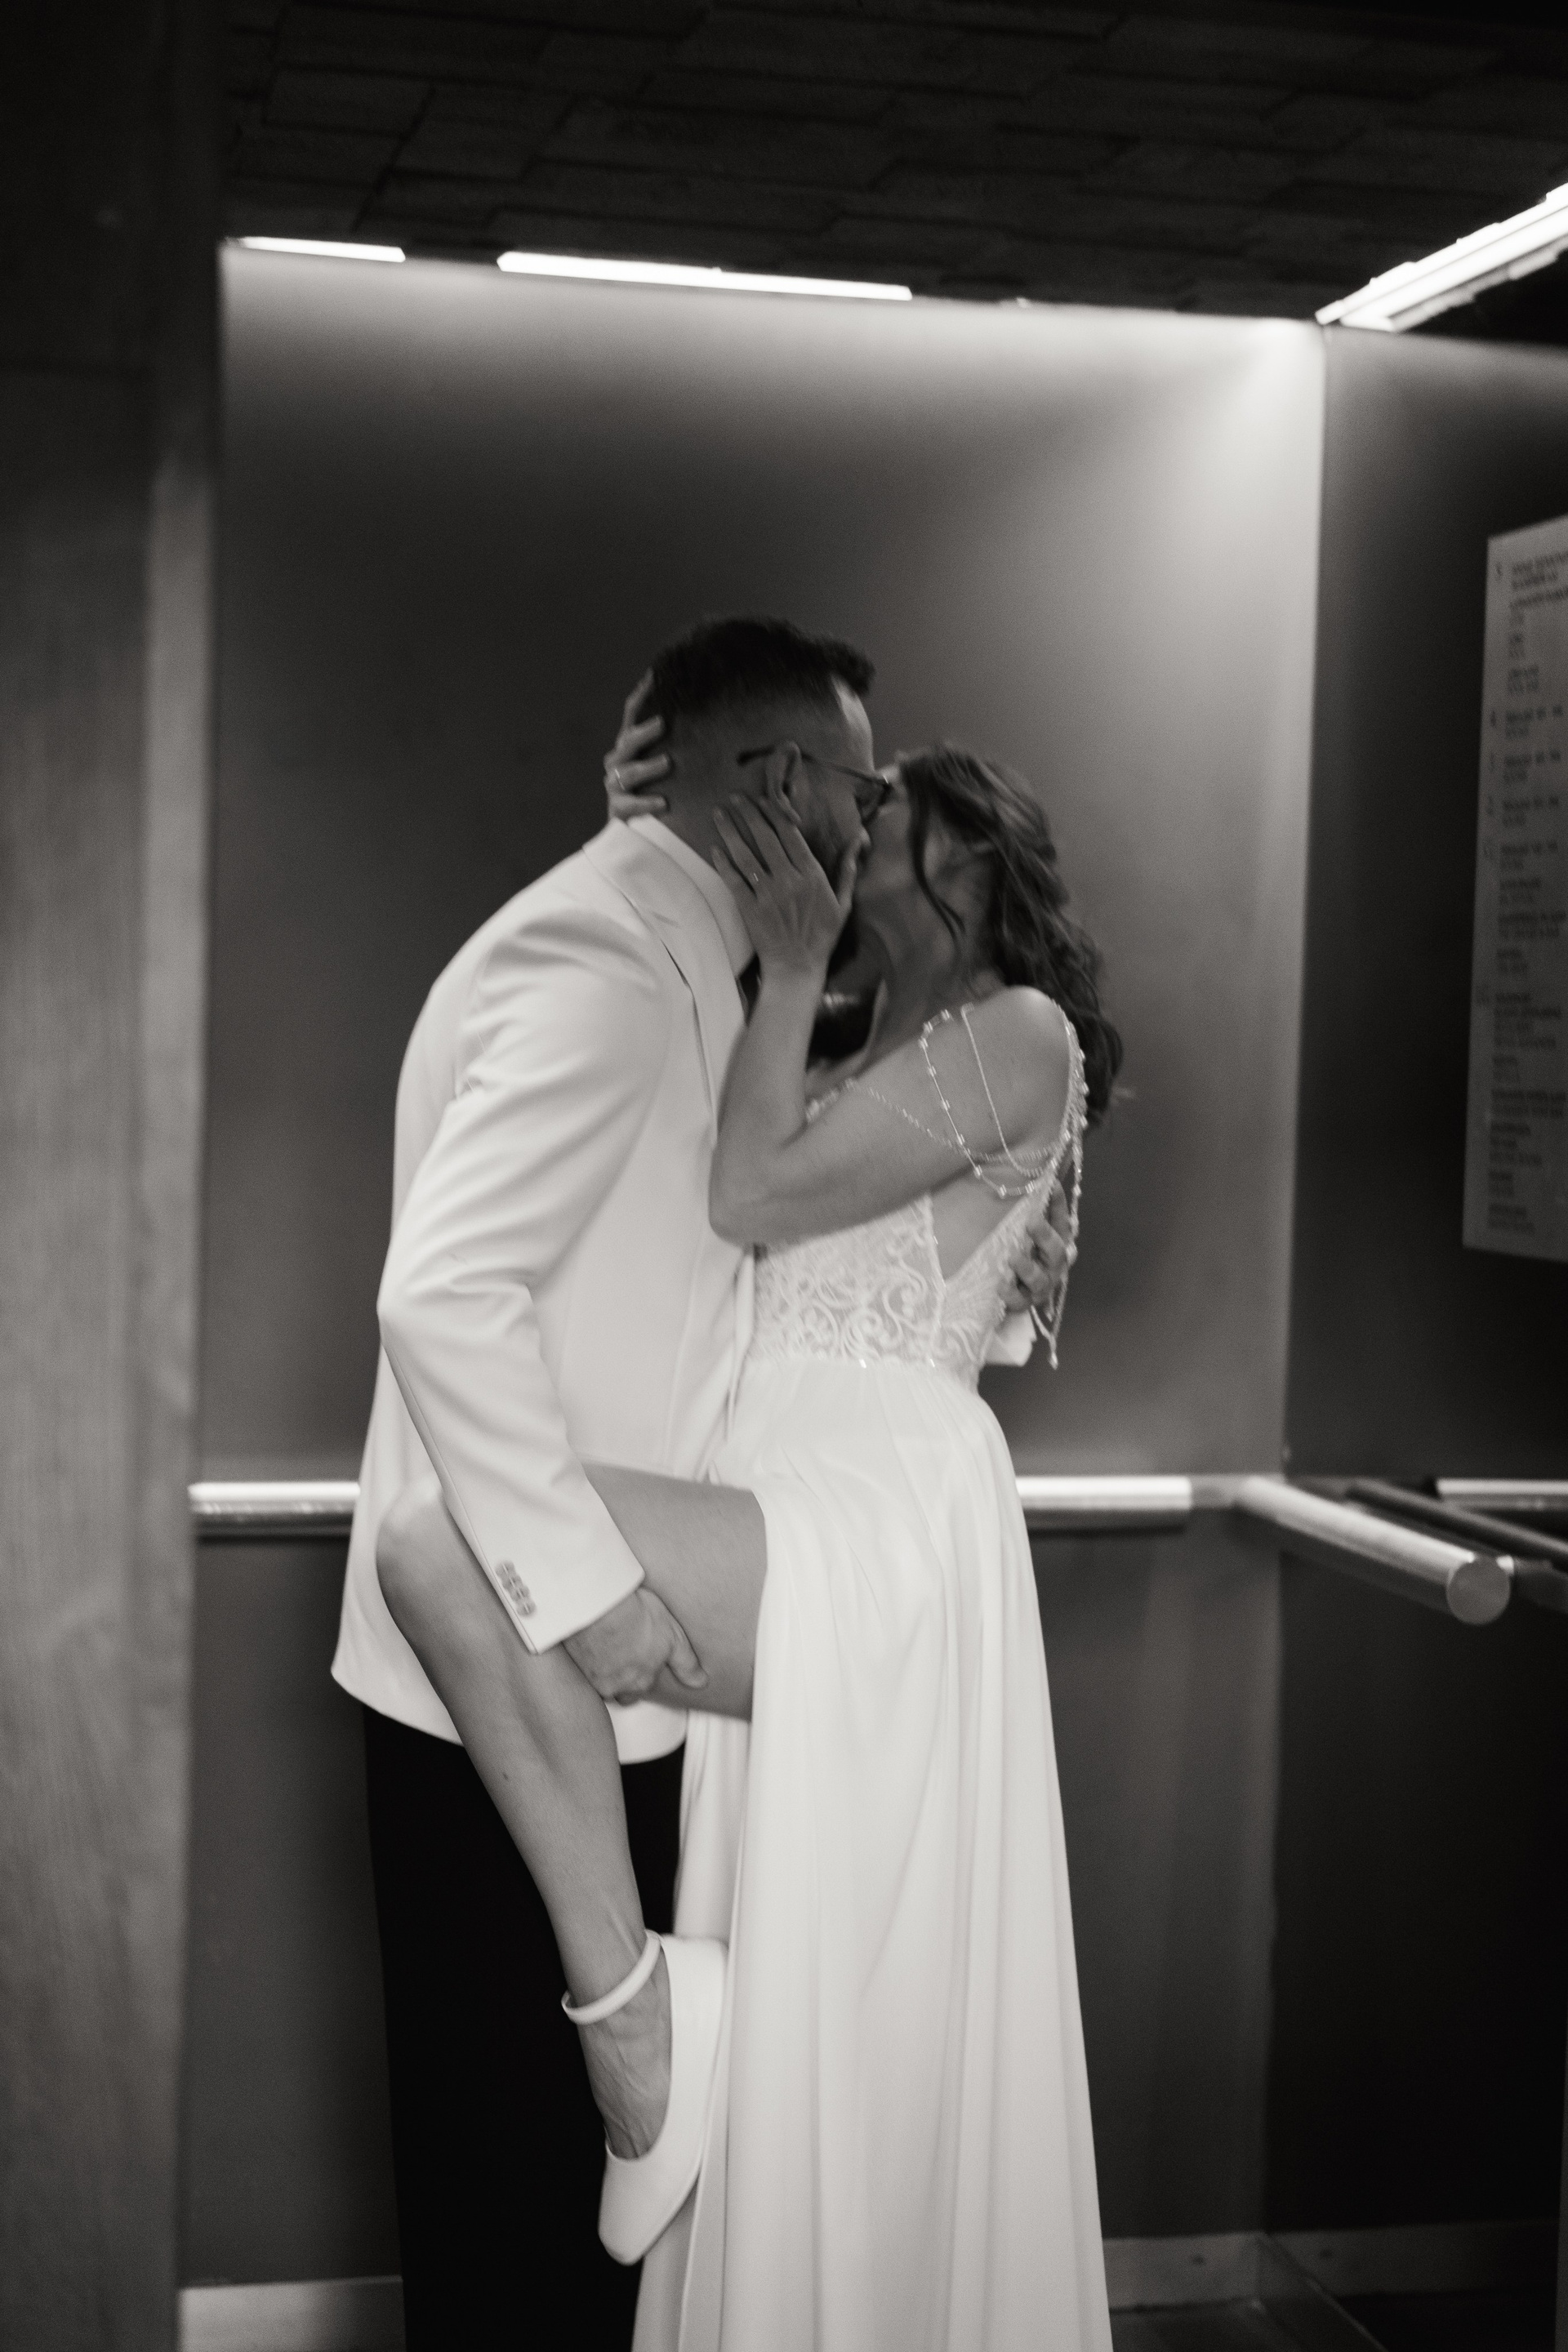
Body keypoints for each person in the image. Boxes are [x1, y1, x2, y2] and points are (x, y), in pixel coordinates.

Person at [331, 615, 1067, 2348]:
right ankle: (650, 2032)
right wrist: (663, 836)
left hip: (835, 1539)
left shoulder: (924, 1021)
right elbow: (463, 1283)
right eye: (855, 790)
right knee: (532, 2193)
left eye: (893, 811)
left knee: (560, 2195)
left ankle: (646, 2034)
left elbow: (746, 1194)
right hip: (621, 1601)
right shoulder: (649, 970)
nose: (868, 822)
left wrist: (711, 867)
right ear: (784, 787)